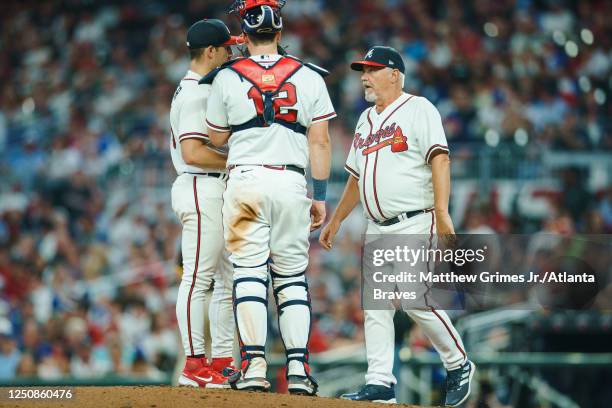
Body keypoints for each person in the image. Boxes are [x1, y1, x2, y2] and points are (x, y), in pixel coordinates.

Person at [319, 46, 475, 407]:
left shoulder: (419, 108)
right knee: (375, 307)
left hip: (413, 219)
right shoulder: (364, 120)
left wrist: (442, 210)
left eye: (372, 69)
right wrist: (338, 218)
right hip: (376, 225)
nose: (364, 76)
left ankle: (458, 362)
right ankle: (379, 382)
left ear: (395, 74)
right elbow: (356, 178)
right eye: (363, 70)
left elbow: (440, 157)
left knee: (413, 297)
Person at [203, 0, 336, 395]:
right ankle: (297, 370)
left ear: (243, 35)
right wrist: (321, 196)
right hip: (293, 182)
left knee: (249, 274)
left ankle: (255, 367)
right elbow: (321, 140)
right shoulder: (310, 76)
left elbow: (215, 137)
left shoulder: (225, 76)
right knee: (292, 278)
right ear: (280, 32)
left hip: (245, 181)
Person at [169, 19, 242, 388]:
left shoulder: (197, 88)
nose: (231, 53)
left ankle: (223, 361)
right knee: (198, 279)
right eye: (226, 47)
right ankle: (194, 365)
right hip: (201, 186)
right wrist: (239, 160)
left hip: (213, 188)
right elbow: (193, 151)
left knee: (226, 279)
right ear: (211, 51)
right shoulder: (197, 92)